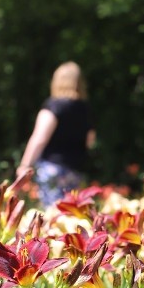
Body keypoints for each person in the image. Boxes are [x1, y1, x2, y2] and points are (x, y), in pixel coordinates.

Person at [17, 62, 96, 206]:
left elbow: (39, 138)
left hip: (52, 168)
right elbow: (90, 140)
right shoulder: (84, 108)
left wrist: (25, 165)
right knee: (70, 212)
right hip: (75, 169)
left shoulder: (54, 106)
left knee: (52, 213)